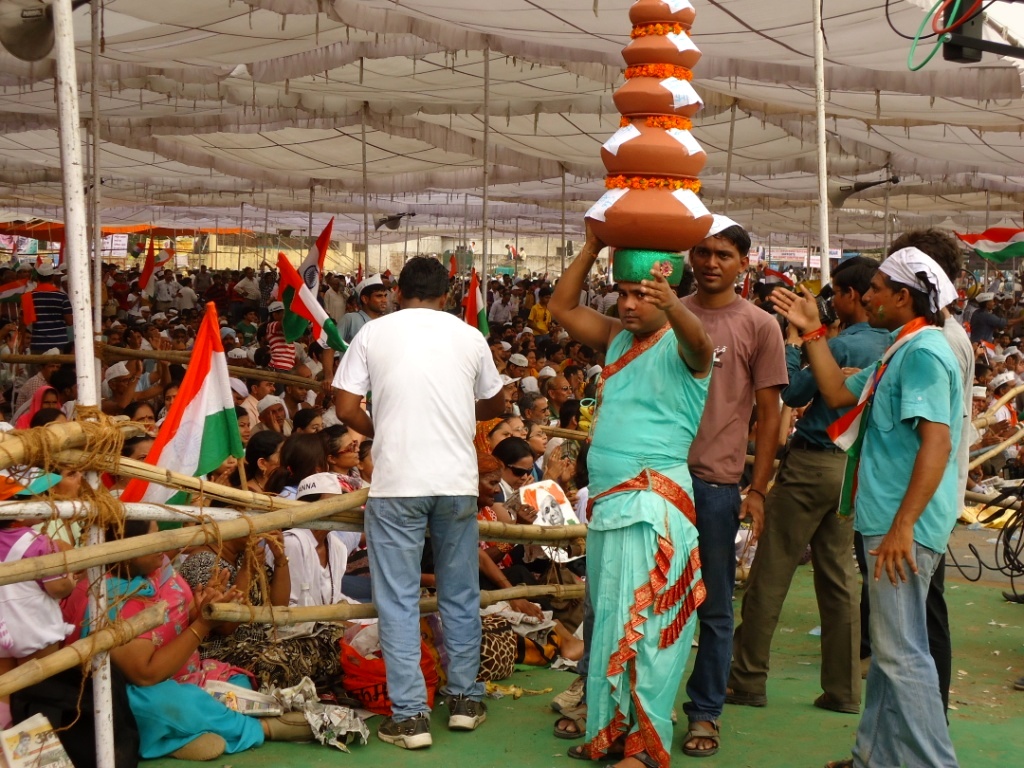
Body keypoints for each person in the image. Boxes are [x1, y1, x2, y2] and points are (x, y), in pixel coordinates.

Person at [771, 246, 962, 768]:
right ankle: (872, 757)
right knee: (890, 650)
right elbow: (836, 393)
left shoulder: (922, 354)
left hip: (901, 526)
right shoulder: (901, 349)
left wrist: (904, 525)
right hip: (888, 520)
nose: (866, 296)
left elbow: (937, 443)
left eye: (876, 288)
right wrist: (813, 332)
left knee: (901, 656)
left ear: (903, 297)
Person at [548, 226, 713, 768]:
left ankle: (643, 748)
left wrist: (675, 304)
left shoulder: (687, 348)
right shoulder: (618, 336)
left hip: (651, 506)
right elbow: (561, 306)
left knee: (647, 630)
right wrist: (592, 248)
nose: (630, 304)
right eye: (623, 293)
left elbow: (701, 344)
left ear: (669, 295)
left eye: (643, 294)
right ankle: (611, 733)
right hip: (610, 507)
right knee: (611, 625)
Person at [334, 256, 504, 750]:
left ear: (396, 292)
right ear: (446, 296)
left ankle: (410, 718)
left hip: (398, 483)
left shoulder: (373, 333)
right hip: (455, 482)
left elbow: (344, 406)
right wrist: (456, 410)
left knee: (398, 599)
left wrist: (382, 426)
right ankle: (465, 700)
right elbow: (496, 402)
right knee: (461, 593)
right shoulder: (468, 335)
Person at [727, 257, 889, 715]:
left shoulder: (839, 346)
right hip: (853, 470)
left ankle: (747, 678)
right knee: (840, 582)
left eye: (835, 292)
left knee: (771, 571)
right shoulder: (892, 344)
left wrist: (796, 343)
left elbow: (794, 394)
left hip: (812, 464)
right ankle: (843, 690)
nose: (831, 301)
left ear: (853, 296)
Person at [677, 216, 788, 758]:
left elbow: (769, 417)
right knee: (640, 597)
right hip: (658, 477)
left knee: (715, 605)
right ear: (689, 258)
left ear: (744, 264)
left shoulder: (760, 326)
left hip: (716, 484)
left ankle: (705, 712)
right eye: (702, 252)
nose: (711, 263)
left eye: (723, 255)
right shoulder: (667, 312)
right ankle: (624, 702)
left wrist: (757, 489)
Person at [21, 264, 72, 355]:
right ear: (52, 277)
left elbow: (23, 323)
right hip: (59, 345)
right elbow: (69, 321)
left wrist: (21, 343)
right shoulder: (62, 296)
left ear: (38, 278)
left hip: (38, 345)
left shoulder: (28, 297)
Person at [339, 275, 388, 345]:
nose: (384, 300)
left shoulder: (385, 321)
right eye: (379, 296)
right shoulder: (350, 319)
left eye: (385, 296)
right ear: (365, 299)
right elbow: (331, 346)